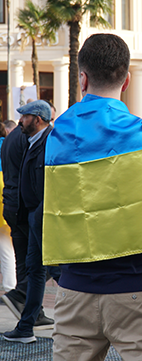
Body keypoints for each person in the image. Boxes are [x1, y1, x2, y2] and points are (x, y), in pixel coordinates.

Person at [42, 34, 142, 360]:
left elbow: (40, 208)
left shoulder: (55, 138)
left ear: (82, 78)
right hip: (137, 286)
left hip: (75, 287)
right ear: (126, 81)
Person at [2, 100, 57, 343]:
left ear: (38, 119)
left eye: (25, 117)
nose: (21, 120)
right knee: (36, 269)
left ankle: (26, 312)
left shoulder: (48, 141)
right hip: (28, 214)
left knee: (48, 268)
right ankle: (27, 325)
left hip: (37, 216)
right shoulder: (28, 139)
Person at [0, 123, 16, 292]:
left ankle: (11, 286)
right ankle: (10, 287)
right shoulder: (8, 144)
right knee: (6, 245)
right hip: (6, 195)